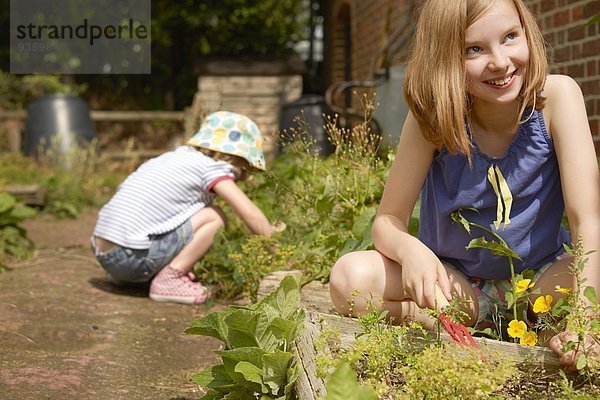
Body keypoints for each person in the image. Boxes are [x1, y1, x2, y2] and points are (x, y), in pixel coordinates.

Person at [329, 0, 600, 371]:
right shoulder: (433, 118)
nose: (500, 62)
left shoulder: (556, 97)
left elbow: (587, 220)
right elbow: (387, 219)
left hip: (542, 282)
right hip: (456, 286)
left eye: (510, 37)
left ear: (527, 32)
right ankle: (467, 324)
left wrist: (584, 319)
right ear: (445, 58)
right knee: (350, 278)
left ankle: (548, 327)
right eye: (474, 49)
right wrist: (410, 251)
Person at [92, 111, 272, 304]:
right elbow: (249, 213)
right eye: (244, 168)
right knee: (214, 216)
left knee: (194, 213)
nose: (244, 176)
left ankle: (135, 277)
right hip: (130, 259)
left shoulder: (173, 158)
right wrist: (273, 247)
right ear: (236, 158)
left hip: (104, 253)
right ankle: (171, 279)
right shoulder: (212, 168)